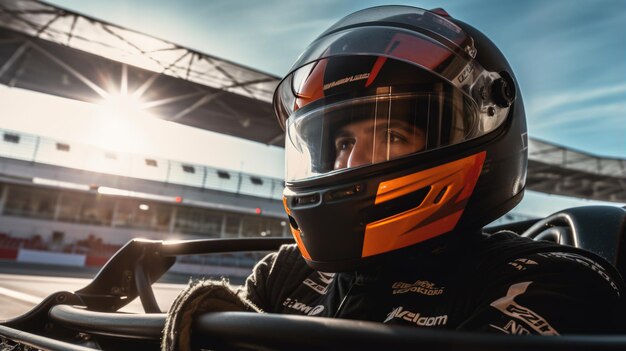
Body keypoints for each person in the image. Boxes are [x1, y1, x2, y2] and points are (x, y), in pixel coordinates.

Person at [162, 6, 624, 349]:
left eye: (390, 133)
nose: (350, 163)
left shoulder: (547, 280)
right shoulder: (288, 273)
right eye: (341, 143)